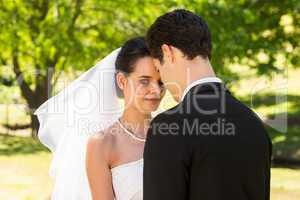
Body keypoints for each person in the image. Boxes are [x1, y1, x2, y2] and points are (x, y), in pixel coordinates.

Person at [143, 9, 272, 200]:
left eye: (158, 68)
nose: (162, 80)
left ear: (167, 52)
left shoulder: (168, 127)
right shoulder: (254, 123)